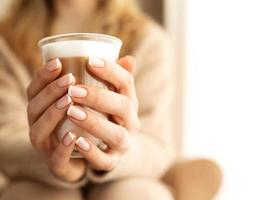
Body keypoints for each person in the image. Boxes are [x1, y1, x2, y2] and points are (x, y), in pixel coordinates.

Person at [0, 0, 176, 199]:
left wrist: (115, 153)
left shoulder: (149, 39)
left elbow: (157, 146)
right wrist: (51, 156)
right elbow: (5, 138)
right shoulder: (5, 41)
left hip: (124, 178)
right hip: (39, 177)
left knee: (137, 194)